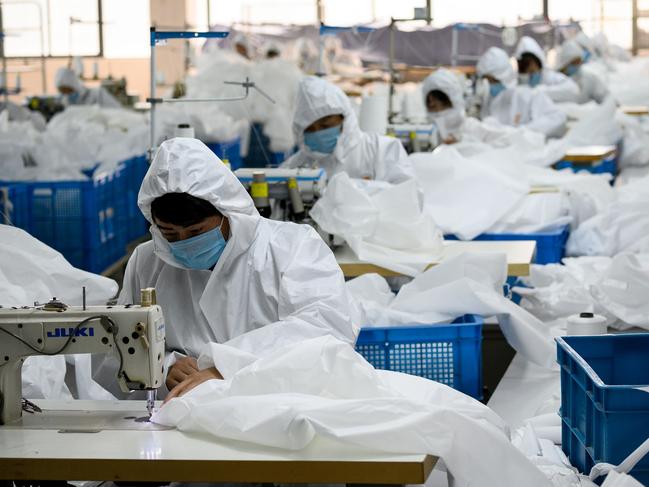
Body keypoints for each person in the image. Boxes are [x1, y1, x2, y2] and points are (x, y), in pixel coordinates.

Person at [95, 137, 357, 399]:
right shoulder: (147, 261)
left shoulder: (292, 247)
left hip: (281, 401)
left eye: (196, 232)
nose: (184, 243)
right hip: (187, 408)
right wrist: (165, 368)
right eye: (170, 234)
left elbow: (326, 330)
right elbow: (120, 348)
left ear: (227, 212)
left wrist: (227, 366)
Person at [282, 76, 413, 183]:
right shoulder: (293, 167)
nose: (318, 133)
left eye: (325, 126)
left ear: (345, 118)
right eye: (310, 130)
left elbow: (407, 197)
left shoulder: (383, 150)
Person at [476, 47, 567, 138]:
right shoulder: (487, 101)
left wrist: (523, 132)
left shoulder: (528, 95)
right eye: (487, 80)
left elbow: (557, 118)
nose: (490, 85)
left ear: (503, 76)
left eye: (493, 80)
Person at [514, 36, 579, 103]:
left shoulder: (552, 78)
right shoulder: (518, 84)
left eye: (532, 71)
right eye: (526, 73)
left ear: (540, 65)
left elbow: (573, 90)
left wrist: (542, 92)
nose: (531, 76)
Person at [556, 40, 610, 105]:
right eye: (573, 62)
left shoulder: (589, 78)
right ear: (565, 63)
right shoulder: (554, 80)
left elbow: (605, 97)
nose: (576, 66)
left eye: (578, 62)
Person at [421, 68, 467, 144]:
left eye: (439, 101)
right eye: (432, 106)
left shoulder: (471, 127)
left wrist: (460, 141)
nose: (431, 103)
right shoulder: (428, 129)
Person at [55, 67, 121, 108]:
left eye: (67, 90)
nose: (66, 95)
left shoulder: (97, 94)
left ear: (74, 86)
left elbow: (117, 112)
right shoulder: (66, 102)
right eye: (62, 92)